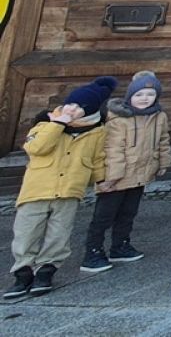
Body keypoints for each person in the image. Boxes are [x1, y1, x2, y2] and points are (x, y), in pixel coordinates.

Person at [5, 76, 115, 300]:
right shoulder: (44, 125)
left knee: (59, 233)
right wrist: (59, 124)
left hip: (69, 190)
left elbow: (97, 157)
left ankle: (46, 270)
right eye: (70, 104)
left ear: (89, 111)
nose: (72, 109)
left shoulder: (97, 131)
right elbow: (36, 147)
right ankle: (23, 272)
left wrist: (101, 179)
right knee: (26, 232)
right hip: (36, 190)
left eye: (79, 107)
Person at [83, 71, 171, 273]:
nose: (145, 99)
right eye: (139, 94)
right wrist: (111, 177)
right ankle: (93, 252)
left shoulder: (159, 117)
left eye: (150, 94)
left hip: (140, 174)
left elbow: (163, 140)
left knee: (128, 213)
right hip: (116, 177)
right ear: (130, 95)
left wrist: (162, 162)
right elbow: (113, 149)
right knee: (104, 216)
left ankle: (120, 245)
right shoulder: (118, 119)